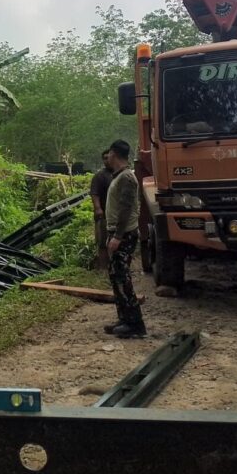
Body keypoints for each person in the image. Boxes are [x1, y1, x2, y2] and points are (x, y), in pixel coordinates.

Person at [102, 139, 147, 339]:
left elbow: (126, 209)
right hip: (116, 233)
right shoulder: (119, 176)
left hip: (124, 234)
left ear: (114, 154)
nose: (108, 158)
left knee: (122, 277)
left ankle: (135, 323)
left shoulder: (127, 178)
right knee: (116, 277)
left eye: (109, 154)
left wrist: (118, 237)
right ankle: (124, 318)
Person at [89, 150, 113, 271]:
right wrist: (98, 208)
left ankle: (115, 266)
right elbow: (94, 194)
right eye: (104, 158)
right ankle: (103, 268)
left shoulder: (119, 173)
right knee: (103, 242)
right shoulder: (99, 176)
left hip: (116, 214)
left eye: (108, 157)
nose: (107, 160)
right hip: (104, 214)